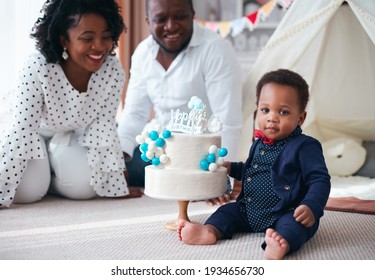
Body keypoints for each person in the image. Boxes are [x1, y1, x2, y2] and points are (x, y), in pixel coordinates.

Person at [0, 0, 143, 208]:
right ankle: (43, 178)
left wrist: (117, 183)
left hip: (67, 134)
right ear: (63, 40)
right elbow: (22, 132)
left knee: (85, 189)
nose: (100, 46)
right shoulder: (37, 66)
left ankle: (49, 176)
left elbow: (104, 127)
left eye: (106, 36)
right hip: (30, 132)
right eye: (87, 38)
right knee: (27, 191)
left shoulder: (111, 70)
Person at [177, 69, 331, 259]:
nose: (272, 117)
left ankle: (280, 244)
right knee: (226, 212)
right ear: (257, 110)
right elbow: (253, 169)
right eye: (265, 110)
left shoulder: (305, 146)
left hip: (286, 210)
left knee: (296, 225)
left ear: (300, 118)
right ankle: (209, 231)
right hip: (249, 209)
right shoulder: (258, 142)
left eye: (283, 112)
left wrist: (311, 206)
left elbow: (319, 180)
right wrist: (232, 168)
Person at [117, 0, 243, 205]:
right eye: (161, 19)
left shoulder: (216, 49)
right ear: (148, 21)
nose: (171, 26)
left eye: (180, 17)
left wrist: (219, 178)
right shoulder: (142, 53)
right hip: (156, 150)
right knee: (95, 160)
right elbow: (135, 114)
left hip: (200, 158)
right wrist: (118, 161)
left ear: (193, 15)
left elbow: (228, 121)